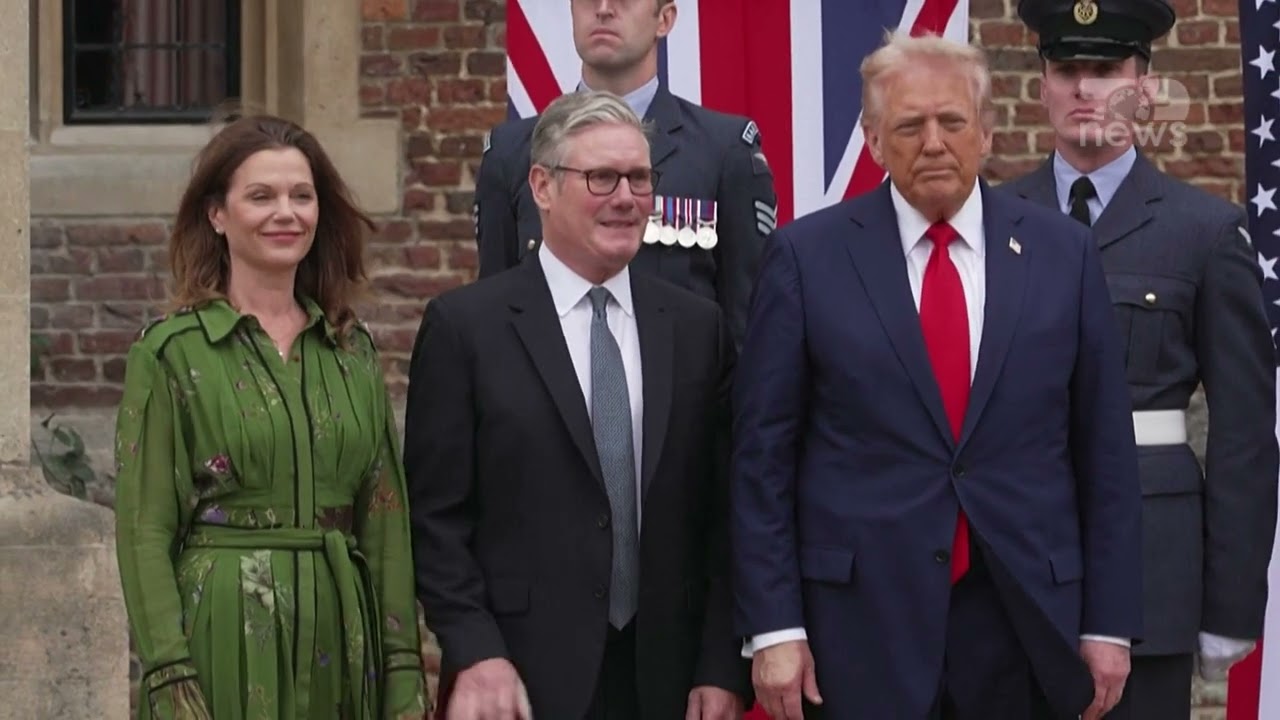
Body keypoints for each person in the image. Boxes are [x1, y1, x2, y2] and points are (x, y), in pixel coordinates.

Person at [730, 32, 1144, 720]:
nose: (932, 143)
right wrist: (775, 628)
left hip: (1023, 622)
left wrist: (1109, 623)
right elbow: (761, 459)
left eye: (952, 121)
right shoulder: (807, 257)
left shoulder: (1063, 254)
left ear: (986, 131)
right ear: (872, 140)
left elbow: (1104, 451)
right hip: (859, 627)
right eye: (908, 125)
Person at [406, 90, 749, 720]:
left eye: (640, 178)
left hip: (669, 682)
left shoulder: (698, 329)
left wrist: (721, 665)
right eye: (601, 178)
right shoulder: (466, 328)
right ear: (542, 186)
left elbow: (724, 514)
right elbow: (436, 519)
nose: (626, 198)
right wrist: (476, 650)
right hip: (517, 679)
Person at [1001, 0, 1279, 716]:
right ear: (1042, 86)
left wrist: (1230, 603)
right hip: (1011, 563)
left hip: (1151, 571)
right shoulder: (990, 220)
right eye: (1068, 69)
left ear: (1144, 88)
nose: (1085, 88)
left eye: (1106, 69)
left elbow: (1245, 434)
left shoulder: (1205, 232)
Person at [113, 114, 427, 719]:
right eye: (261, 196)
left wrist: (403, 670)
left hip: (341, 636)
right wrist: (169, 673)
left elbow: (385, 520)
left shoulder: (351, 351)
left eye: (301, 196)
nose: (286, 213)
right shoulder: (172, 352)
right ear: (217, 214)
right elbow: (143, 528)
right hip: (222, 636)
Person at [474, 0, 776, 350]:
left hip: (679, 380)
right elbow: (494, 314)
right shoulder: (512, 152)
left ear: (664, 19)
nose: (603, 9)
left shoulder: (722, 151)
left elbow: (747, 328)